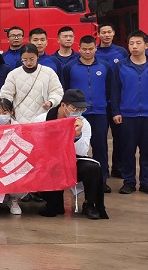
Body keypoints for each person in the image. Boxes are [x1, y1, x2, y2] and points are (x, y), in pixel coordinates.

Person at [111, 30, 148, 196]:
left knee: (147, 151)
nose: (134, 47)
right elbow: (115, 91)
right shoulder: (121, 66)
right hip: (128, 116)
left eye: (138, 43)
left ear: (146, 45)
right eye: (131, 43)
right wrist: (116, 111)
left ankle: (146, 183)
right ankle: (129, 182)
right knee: (128, 151)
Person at [35, 89, 107, 220]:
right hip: (49, 162)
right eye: (74, 108)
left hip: (71, 161)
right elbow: (36, 146)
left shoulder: (83, 123)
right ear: (63, 105)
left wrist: (77, 135)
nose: (78, 112)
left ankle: (90, 204)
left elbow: (82, 152)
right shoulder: (42, 120)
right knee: (54, 207)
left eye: (81, 110)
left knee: (93, 168)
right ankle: (52, 201)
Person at [63, 36, 112, 189]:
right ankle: (76, 180)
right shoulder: (70, 67)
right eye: (84, 49)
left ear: (95, 48)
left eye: (91, 49)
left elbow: (109, 89)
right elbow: (66, 89)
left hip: (99, 113)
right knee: (76, 146)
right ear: (79, 49)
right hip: (77, 114)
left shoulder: (104, 66)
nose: (87, 52)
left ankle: (101, 181)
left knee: (100, 147)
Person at [0, 43, 63, 123]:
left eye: (32, 59)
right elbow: (6, 95)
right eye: (25, 60)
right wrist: (7, 110)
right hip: (20, 120)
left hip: (43, 118)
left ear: (37, 57)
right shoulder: (13, 74)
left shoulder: (48, 72)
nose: (28, 62)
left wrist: (51, 102)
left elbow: (57, 91)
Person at [96, 21, 128, 178]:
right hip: (100, 103)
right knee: (100, 139)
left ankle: (118, 166)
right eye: (103, 32)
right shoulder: (94, 52)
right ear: (98, 34)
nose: (106, 35)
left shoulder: (121, 52)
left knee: (120, 137)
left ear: (114, 33)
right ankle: (102, 170)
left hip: (118, 102)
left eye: (109, 32)